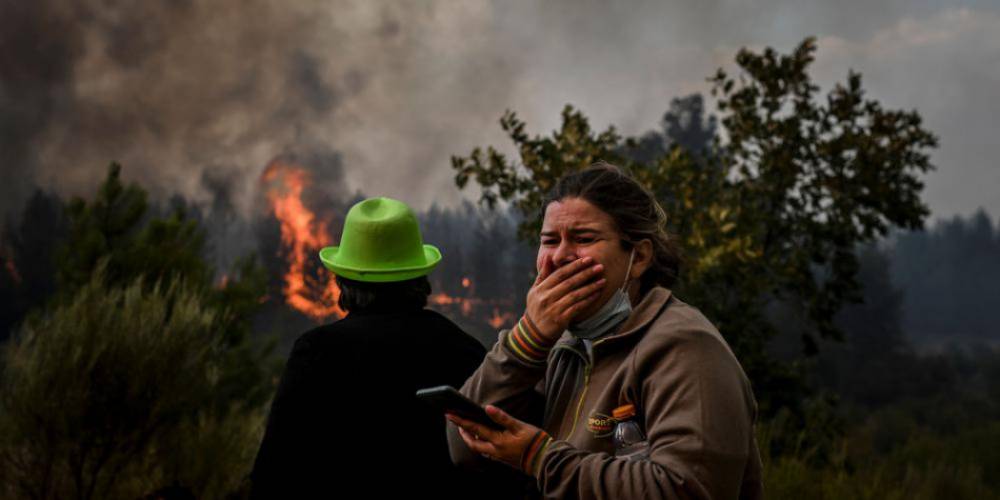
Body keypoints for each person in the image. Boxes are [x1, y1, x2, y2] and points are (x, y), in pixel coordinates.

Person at [445, 163, 763, 499]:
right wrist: (527, 340)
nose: (560, 257)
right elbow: (466, 448)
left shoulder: (685, 347)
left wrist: (540, 458)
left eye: (584, 239)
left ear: (638, 258)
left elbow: (685, 488)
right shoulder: (563, 347)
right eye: (550, 240)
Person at [250, 197, 493, 498]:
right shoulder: (463, 348)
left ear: (343, 280)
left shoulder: (316, 352)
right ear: (419, 276)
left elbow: (274, 472)